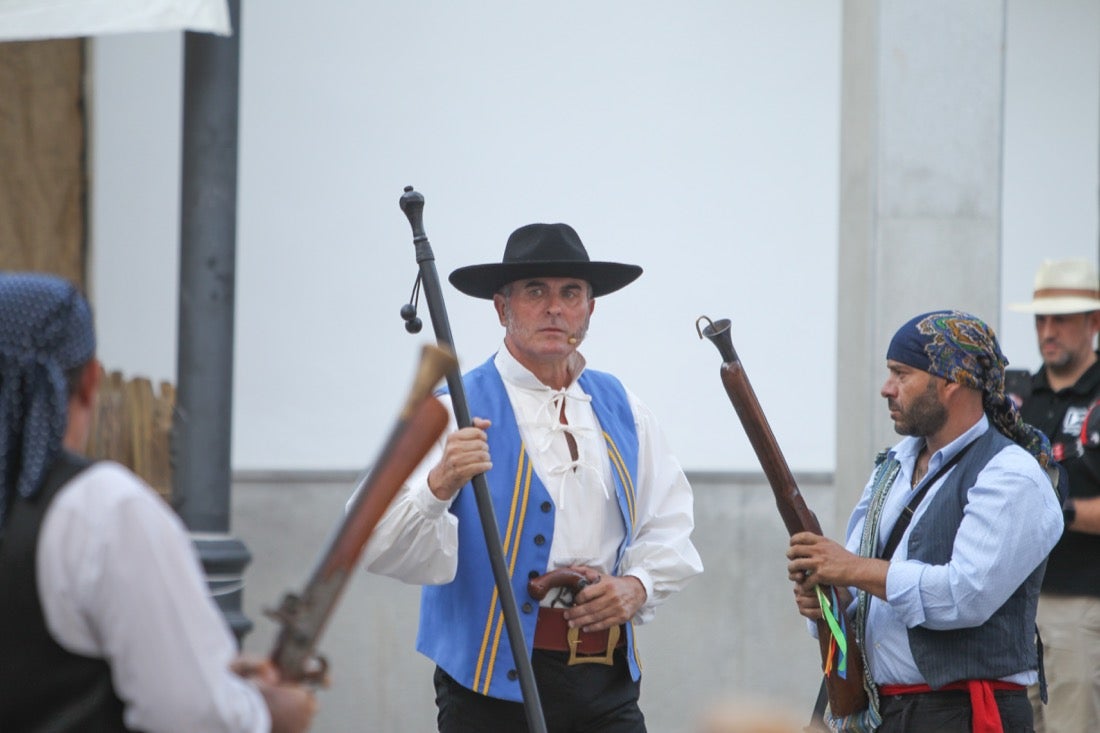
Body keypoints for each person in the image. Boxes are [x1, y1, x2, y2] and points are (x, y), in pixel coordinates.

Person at [362, 222, 703, 732]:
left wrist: (637, 584)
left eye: (571, 293)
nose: (554, 308)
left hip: (603, 682)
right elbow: (373, 539)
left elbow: (669, 522)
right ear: (502, 308)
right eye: (535, 292)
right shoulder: (450, 408)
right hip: (487, 689)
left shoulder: (624, 408)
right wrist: (440, 485)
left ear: (590, 308)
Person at [0, 272, 316, 733]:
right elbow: (193, 715)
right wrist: (268, 712)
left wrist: (216, 676)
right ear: (91, 380)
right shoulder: (102, 509)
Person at [786, 310, 1063, 733]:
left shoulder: (1010, 474)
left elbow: (963, 595)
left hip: (963, 714)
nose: (886, 388)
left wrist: (851, 569)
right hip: (878, 712)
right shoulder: (892, 467)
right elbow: (862, 592)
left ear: (952, 381)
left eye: (901, 373)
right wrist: (830, 601)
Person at [1008, 258, 1100, 733]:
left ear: (1094, 322)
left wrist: (1051, 509)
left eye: (1061, 318)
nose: (1048, 330)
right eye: (1042, 318)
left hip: (1081, 603)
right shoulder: (1017, 396)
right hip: (1015, 606)